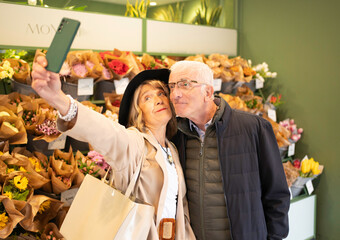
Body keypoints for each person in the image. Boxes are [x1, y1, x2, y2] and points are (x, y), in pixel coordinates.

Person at [31, 53, 196, 240]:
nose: (158, 99)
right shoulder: (134, 143)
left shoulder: (171, 149)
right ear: (137, 112)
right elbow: (104, 131)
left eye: (161, 93)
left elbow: (181, 209)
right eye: (147, 98)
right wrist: (59, 99)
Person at [168, 60, 290, 240]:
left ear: (208, 92)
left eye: (184, 85)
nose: (175, 94)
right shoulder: (176, 135)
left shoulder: (254, 128)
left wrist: (274, 237)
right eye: (171, 87)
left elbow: (277, 193)